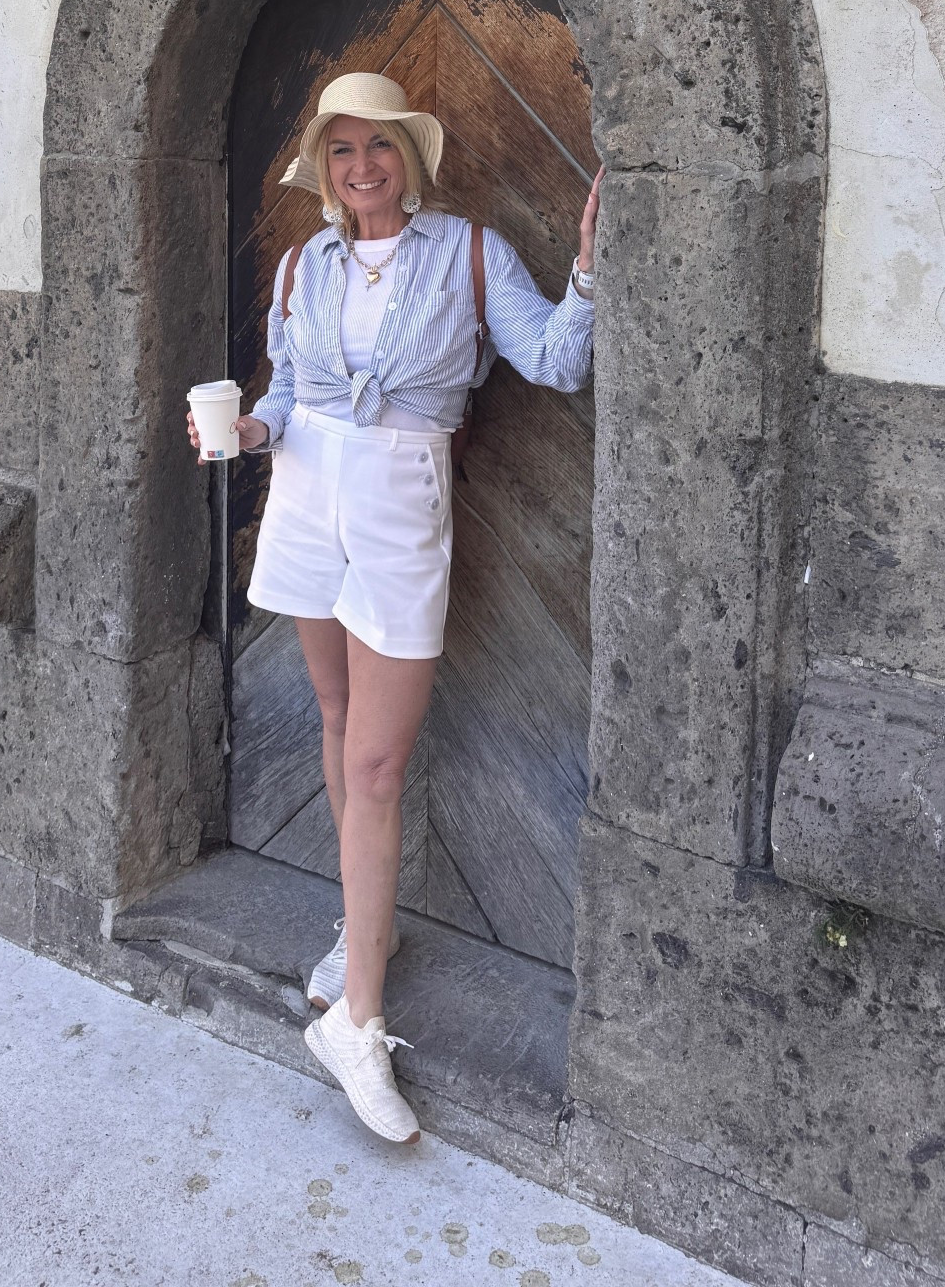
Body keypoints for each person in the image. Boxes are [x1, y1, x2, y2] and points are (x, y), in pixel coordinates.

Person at [187, 72, 601, 1144]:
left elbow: (557, 359)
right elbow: (282, 396)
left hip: (402, 499)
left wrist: (595, 272)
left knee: (376, 760)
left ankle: (354, 1021)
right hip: (305, 495)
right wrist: (246, 435)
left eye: (378, 147)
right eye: (341, 150)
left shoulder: (468, 252)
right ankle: (356, 937)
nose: (360, 166)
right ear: (323, 169)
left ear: (408, 159)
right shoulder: (300, 264)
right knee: (335, 726)